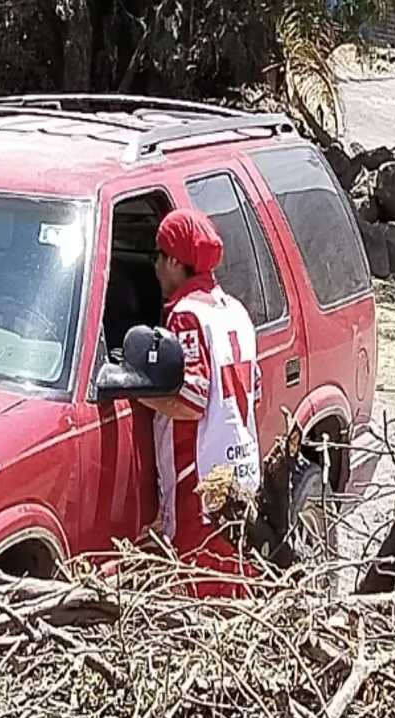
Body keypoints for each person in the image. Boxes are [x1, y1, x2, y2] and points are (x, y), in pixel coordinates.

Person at [136, 208, 262, 595]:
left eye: (158, 257)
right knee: (235, 581)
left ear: (175, 260)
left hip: (200, 479)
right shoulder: (235, 311)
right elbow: (254, 391)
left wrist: (135, 388)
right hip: (240, 471)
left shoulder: (187, 317)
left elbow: (191, 400)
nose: (156, 267)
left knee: (200, 595)